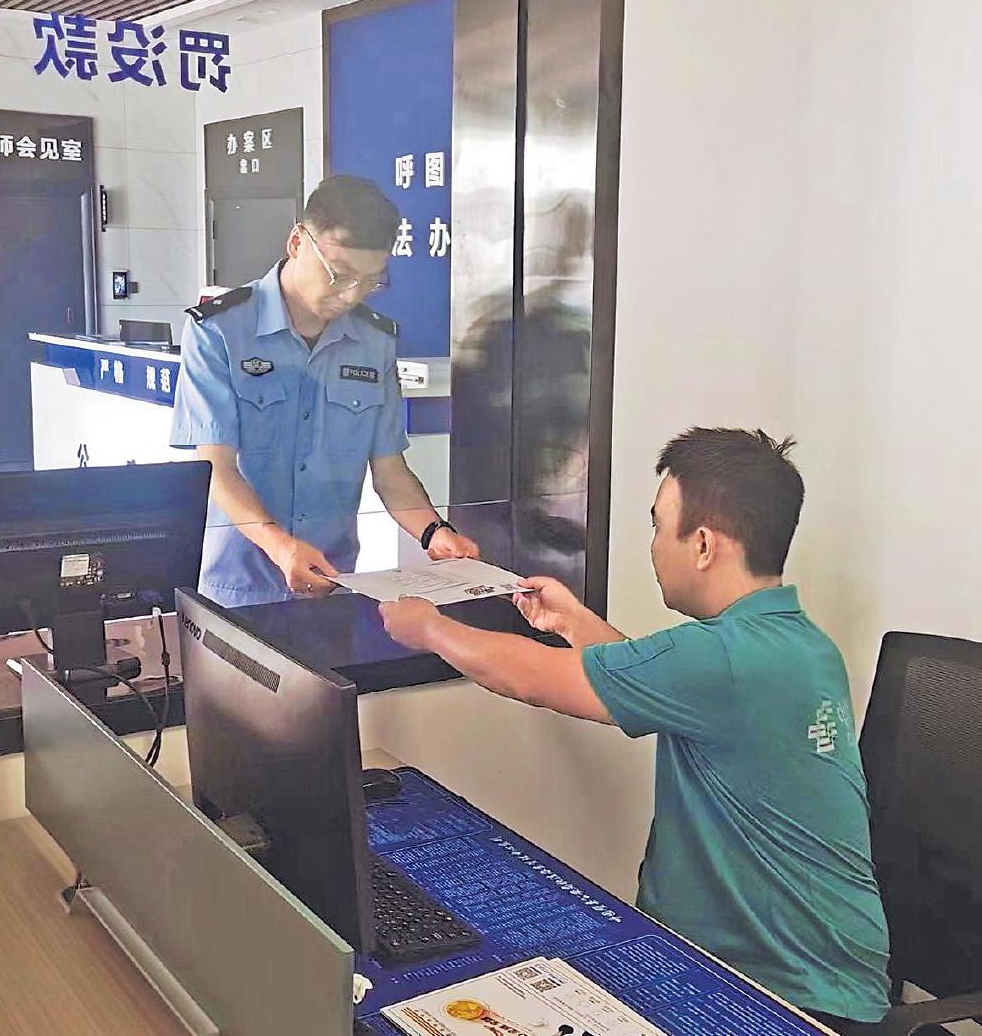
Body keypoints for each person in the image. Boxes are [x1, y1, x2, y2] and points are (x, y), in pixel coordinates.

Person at [380, 428, 891, 1030]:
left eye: (657, 526)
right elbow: (655, 680)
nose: (652, 546)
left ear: (703, 544)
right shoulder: (793, 643)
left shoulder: (724, 658)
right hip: (793, 967)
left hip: (786, 994)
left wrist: (429, 629)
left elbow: (532, 679)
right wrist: (572, 622)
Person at [170, 175, 478, 607]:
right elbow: (216, 469)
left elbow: (389, 470)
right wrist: (281, 547)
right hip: (238, 589)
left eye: (369, 282)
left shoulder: (375, 342)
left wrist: (434, 532)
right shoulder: (219, 331)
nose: (350, 295)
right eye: (339, 275)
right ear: (297, 242)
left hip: (333, 586)